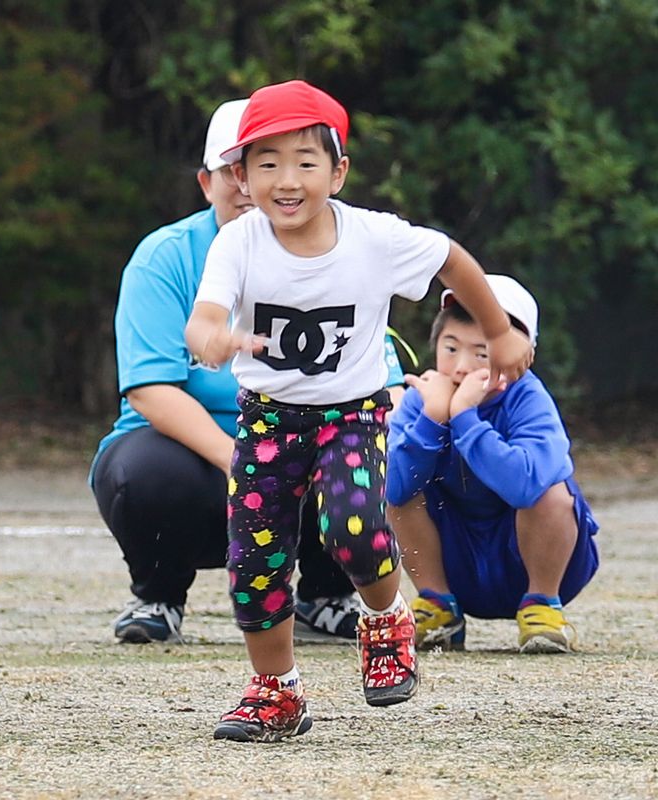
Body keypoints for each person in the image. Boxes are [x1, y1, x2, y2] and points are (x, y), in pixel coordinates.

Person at [184, 79, 533, 742]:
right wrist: (214, 341)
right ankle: (274, 691)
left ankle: (384, 619)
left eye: (305, 163)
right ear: (241, 175)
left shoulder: (375, 239)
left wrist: (501, 329)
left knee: (349, 522)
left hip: (353, 413)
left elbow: (453, 262)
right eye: (266, 164)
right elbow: (203, 322)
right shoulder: (239, 243)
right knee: (255, 565)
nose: (286, 181)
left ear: (338, 172)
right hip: (266, 420)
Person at [91, 99, 409, 646]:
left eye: (289, 162)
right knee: (142, 471)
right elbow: (149, 389)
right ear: (211, 180)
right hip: (205, 460)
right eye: (247, 168)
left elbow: (387, 382)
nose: (264, 184)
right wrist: (235, 459)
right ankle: (160, 595)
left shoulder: (343, 247)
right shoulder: (165, 257)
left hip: (312, 436)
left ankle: (328, 595)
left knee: (353, 449)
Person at [387, 275, 598, 654]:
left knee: (551, 489)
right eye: (450, 348)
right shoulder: (424, 399)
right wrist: (433, 418)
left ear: (518, 356)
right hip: (457, 559)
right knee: (401, 485)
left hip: (533, 559)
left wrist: (466, 418)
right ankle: (438, 607)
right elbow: (394, 491)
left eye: (482, 354)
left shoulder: (528, 398)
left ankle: (541, 607)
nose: (462, 367)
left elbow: (526, 486)